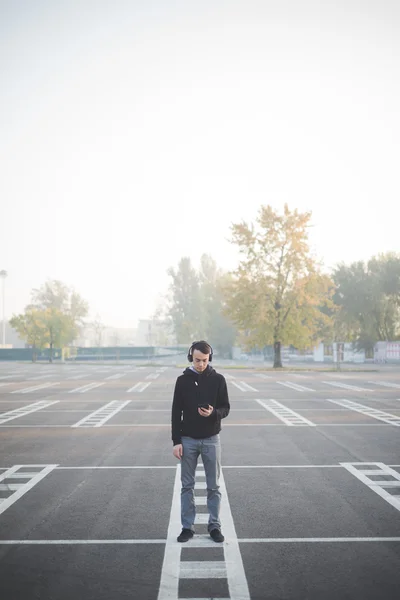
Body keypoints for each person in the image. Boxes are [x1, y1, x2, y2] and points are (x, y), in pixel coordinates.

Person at [171, 340, 230, 543]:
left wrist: (214, 413)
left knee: (213, 486)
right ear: (190, 357)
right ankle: (187, 527)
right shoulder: (182, 381)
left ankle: (214, 526)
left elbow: (226, 408)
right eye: (197, 360)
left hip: (212, 440)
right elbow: (175, 413)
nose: (201, 364)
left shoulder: (219, 380)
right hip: (187, 440)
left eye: (205, 360)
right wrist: (176, 441)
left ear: (210, 358)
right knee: (187, 486)